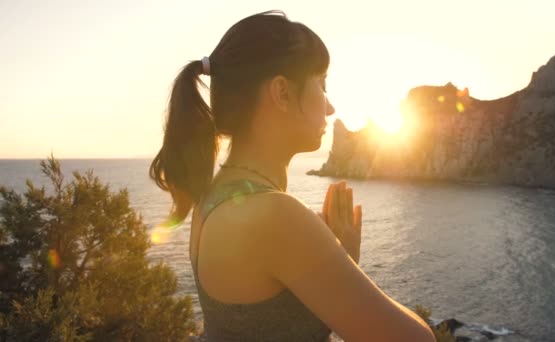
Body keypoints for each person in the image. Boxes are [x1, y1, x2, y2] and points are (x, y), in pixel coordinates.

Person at [149, 10, 436, 342]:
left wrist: (333, 262)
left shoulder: (211, 199)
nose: (330, 107)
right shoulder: (273, 214)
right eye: (322, 84)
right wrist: (345, 263)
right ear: (282, 93)